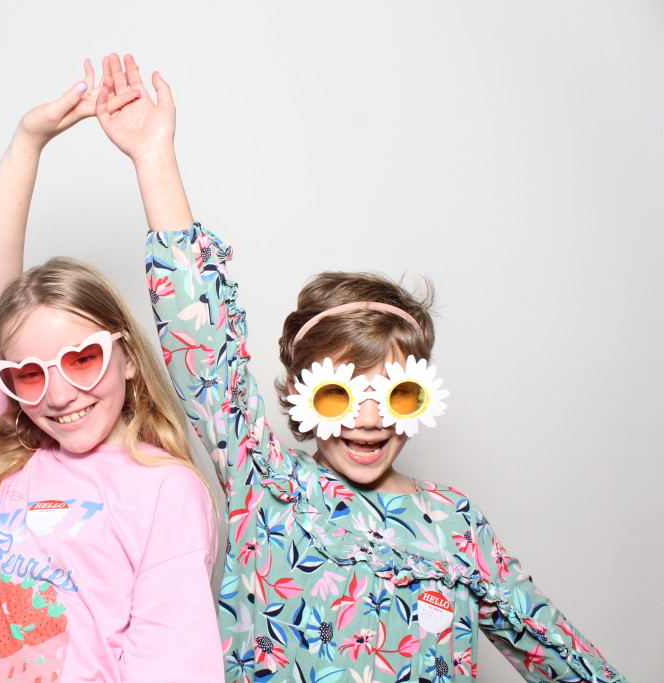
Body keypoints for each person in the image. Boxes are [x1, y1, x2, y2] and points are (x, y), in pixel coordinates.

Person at [95, 53, 626, 682]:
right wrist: (154, 158)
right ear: (300, 395)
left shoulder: (453, 524)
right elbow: (204, 346)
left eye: (394, 394)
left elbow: (551, 645)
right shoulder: (266, 485)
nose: (369, 419)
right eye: (339, 395)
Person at [0, 59, 223, 683]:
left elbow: (173, 666)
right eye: (29, 374)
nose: (59, 393)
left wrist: (153, 156)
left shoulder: (164, 491)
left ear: (128, 356)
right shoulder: (10, 457)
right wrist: (27, 142)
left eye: (83, 359)